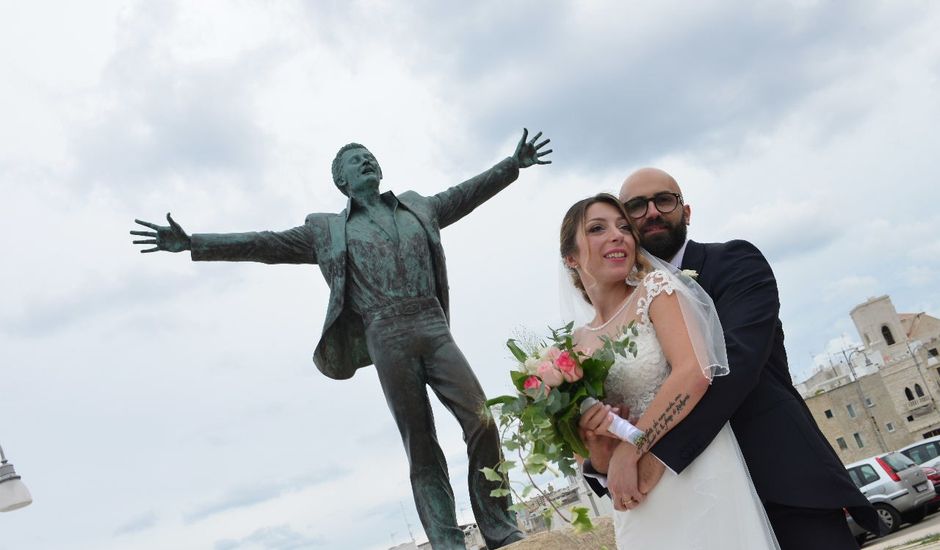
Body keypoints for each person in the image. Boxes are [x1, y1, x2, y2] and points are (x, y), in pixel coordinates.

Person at [129, 130, 552, 550]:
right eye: (355, 160)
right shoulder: (326, 230)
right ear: (341, 182)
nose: (366, 160)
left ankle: (499, 527)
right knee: (420, 444)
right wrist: (192, 244)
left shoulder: (418, 206)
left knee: (481, 419)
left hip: (431, 325)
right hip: (384, 334)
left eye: (370, 155)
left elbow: (466, 194)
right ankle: (446, 542)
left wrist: (511, 165)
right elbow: (265, 243)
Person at [583, 168, 882, 549]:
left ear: (686, 211)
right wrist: (603, 459)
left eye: (664, 200)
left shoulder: (736, 262)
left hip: (782, 481)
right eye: (636, 208)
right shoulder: (615, 318)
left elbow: (733, 365)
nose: (652, 212)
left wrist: (650, 451)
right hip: (694, 504)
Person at [562, 193, 779, 549]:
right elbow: (588, 456)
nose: (618, 235)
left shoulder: (656, 291)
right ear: (571, 258)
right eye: (597, 229)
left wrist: (632, 448)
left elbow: (693, 373)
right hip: (634, 496)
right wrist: (596, 437)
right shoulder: (574, 345)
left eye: (623, 228)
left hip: (694, 472)